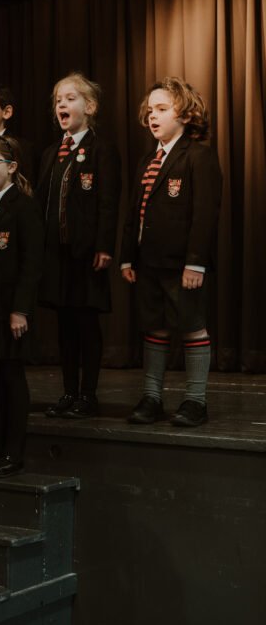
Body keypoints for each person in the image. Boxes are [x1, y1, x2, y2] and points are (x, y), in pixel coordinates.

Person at [120, 77, 222, 427]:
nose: (153, 116)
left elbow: (205, 215)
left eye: (162, 109)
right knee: (155, 328)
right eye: (150, 110)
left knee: (191, 327)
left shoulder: (199, 156)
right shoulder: (148, 160)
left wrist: (195, 263)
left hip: (182, 266)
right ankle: (152, 397)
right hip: (148, 262)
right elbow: (135, 212)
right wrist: (128, 255)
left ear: (186, 115)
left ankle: (196, 401)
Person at [36, 73, 121, 419]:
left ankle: (88, 394)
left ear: (90, 107)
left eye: (70, 99)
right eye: (58, 100)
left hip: (86, 254)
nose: (62, 105)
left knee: (86, 323)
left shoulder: (101, 149)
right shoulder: (50, 153)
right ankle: (69, 391)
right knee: (65, 326)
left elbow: (108, 202)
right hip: (57, 255)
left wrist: (104, 246)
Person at [0, 136, 44, 476]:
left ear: (12, 167)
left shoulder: (22, 206)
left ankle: (13, 451)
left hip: (10, 310)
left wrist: (21, 310)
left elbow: (32, 264)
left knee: (12, 379)